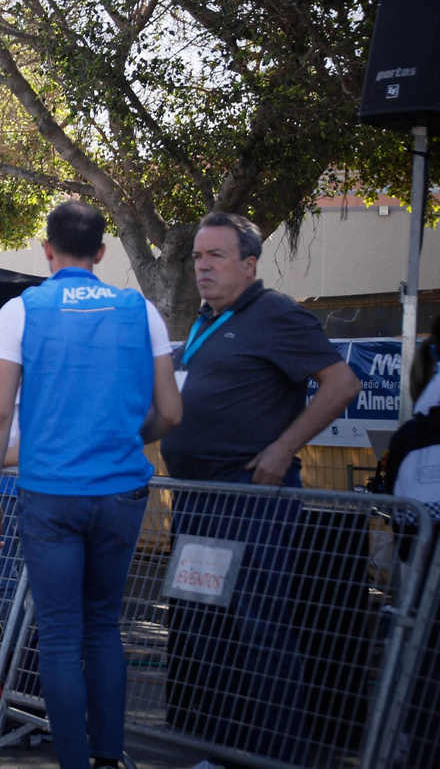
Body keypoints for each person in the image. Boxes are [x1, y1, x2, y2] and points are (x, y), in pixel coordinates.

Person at [0, 202, 183, 769]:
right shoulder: (140, 311)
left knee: (61, 634)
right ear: (102, 251)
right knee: (103, 627)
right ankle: (108, 756)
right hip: (121, 491)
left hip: (50, 493)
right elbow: (170, 412)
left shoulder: (21, 311)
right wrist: (126, 436)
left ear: (47, 249)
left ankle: (73, 761)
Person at [157, 212, 361, 763]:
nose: (202, 266)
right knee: (205, 629)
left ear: (249, 264)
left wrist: (283, 447)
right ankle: (224, 753)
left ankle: (276, 756)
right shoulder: (205, 321)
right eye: (197, 256)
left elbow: (342, 384)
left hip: (249, 501)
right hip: (198, 499)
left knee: (259, 629)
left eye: (215, 256)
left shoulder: (276, 314)